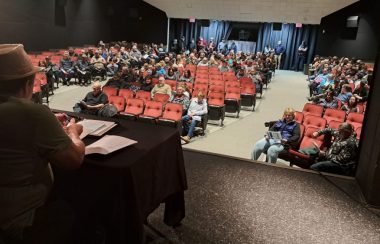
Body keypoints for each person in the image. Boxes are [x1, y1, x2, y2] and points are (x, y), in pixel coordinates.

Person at [0, 44, 85, 243]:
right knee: (81, 209)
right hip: (20, 218)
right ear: (28, 83)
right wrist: (73, 133)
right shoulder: (33, 113)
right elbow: (74, 159)